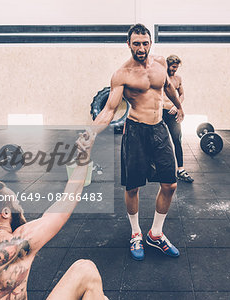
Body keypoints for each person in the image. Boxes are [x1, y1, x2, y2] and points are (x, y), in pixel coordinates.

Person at [0, 133, 109, 300]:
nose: (20, 207)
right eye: (16, 202)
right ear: (5, 213)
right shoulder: (18, 241)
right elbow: (70, 197)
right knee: (85, 270)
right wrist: (84, 153)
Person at [92, 23, 184, 261]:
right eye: (136, 44)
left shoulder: (161, 63)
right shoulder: (122, 74)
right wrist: (89, 134)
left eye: (145, 43)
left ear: (150, 43)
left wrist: (180, 106)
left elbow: (168, 87)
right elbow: (109, 109)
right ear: (128, 44)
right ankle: (136, 233)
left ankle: (155, 233)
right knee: (132, 187)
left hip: (159, 128)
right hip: (135, 130)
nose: (141, 48)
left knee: (170, 184)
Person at [162, 55, 194, 183]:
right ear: (168, 65)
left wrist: (177, 106)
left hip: (172, 113)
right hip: (159, 113)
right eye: (173, 67)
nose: (174, 70)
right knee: (160, 142)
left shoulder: (178, 79)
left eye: (176, 68)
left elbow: (181, 95)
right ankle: (161, 169)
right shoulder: (161, 78)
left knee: (177, 140)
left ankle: (180, 169)